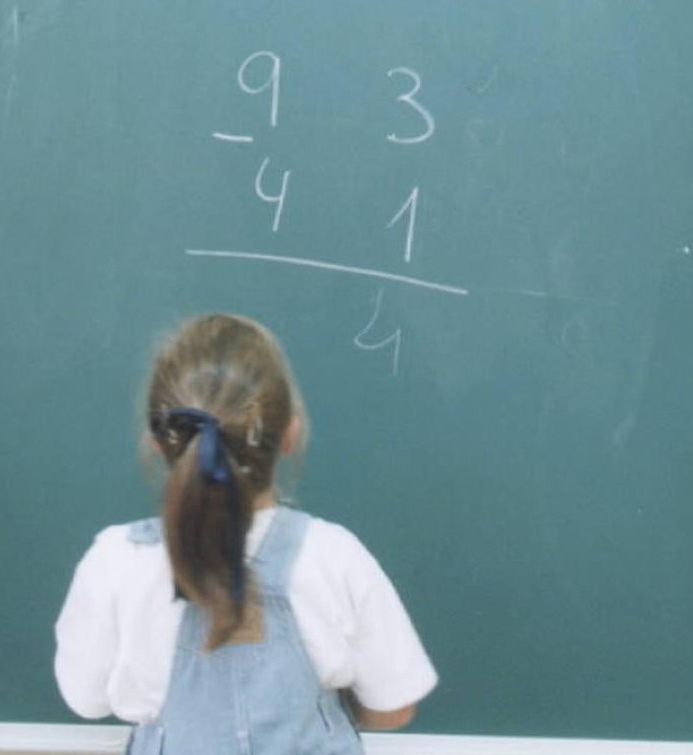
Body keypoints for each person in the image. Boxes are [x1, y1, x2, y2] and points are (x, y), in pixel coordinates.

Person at [55, 313, 437, 754]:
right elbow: (394, 707)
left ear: (160, 442)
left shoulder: (116, 560)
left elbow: (85, 700)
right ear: (290, 433)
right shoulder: (332, 556)